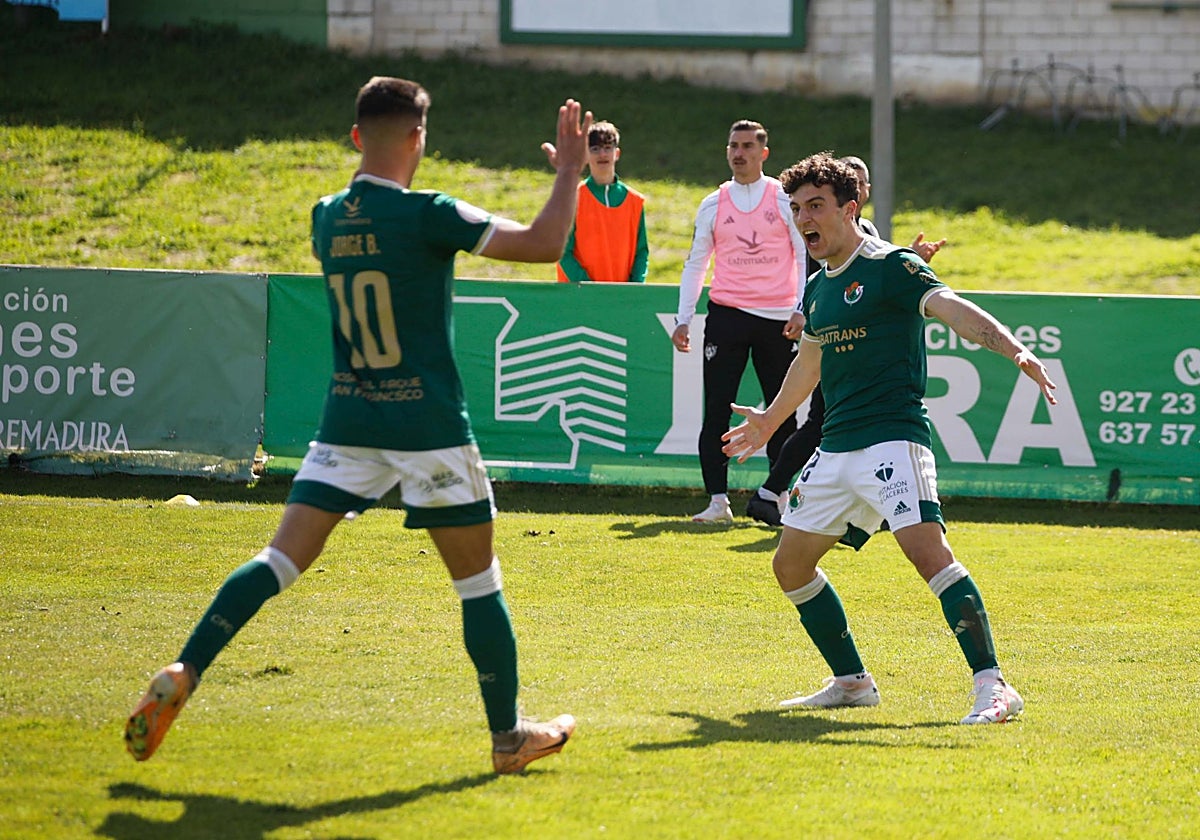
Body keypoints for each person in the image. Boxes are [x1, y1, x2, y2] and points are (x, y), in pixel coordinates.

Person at [124, 77, 593, 774]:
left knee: (278, 561)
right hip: (429, 424)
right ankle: (506, 739)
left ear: (354, 137)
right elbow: (547, 243)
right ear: (418, 138)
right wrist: (569, 175)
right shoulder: (429, 212)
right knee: (478, 584)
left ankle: (187, 667)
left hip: (347, 419)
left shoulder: (325, 216)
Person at [722, 152, 1057, 724]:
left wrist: (1015, 349)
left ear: (850, 209)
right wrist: (770, 421)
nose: (805, 218)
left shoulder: (890, 266)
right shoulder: (818, 287)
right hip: (837, 446)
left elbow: (954, 310)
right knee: (790, 566)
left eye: (817, 206)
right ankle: (852, 682)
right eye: (798, 208)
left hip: (893, 439)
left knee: (928, 554)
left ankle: (995, 686)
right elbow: (809, 363)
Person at [744, 154, 946, 527]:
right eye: (798, 207)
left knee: (819, 423)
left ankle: (776, 492)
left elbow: (875, 282)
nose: (804, 215)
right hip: (832, 345)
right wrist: (802, 311)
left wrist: (913, 261)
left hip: (866, 377)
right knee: (819, 422)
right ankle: (772, 491)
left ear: (859, 195)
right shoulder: (822, 232)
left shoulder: (867, 235)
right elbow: (822, 280)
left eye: (864, 180)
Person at [671, 119, 808, 524]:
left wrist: (801, 307)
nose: (739, 152)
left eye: (748, 146)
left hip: (778, 319)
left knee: (783, 411)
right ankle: (717, 502)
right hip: (727, 316)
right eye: (733, 145)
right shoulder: (713, 203)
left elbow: (803, 257)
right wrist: (684, 318)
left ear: (763, 153)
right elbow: (696, 261)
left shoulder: (783, 199)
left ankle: (777, 496)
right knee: (716, 410)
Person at [556, 120, 649, 284]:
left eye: (607, 148)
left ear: (617, 153)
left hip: (621, 297)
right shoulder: (573, 197)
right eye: (595, 149)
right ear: (585, 154)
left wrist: (635, 287)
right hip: (580, 296)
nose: (602, 154)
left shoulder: (634, 201)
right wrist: (588, 287)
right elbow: (563, 251)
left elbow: (641, 252)